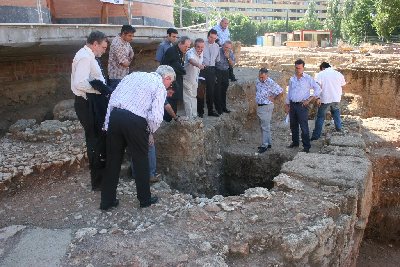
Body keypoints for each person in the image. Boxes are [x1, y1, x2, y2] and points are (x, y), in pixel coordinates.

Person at [100, 65, 176, 210]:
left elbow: (113, 98)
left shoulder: (132, 75)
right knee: (141, 159)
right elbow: (156, 116)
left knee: (113, 160)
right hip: (135, 121)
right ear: (166, 78)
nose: (168, 86)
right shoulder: (159, 85)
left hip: (116, 116)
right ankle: (145, 199)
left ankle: (107, 201)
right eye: (170, 83)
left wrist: (107, 124)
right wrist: (149, 131)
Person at [71, 31, 111, 191]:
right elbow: (80, 83)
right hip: (87, 104)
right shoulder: (85, 57)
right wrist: (99, 89)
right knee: (94, 141)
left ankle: (101, 178)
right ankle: (98, 182)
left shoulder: (88, 56)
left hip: (91, 103)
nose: (104, 50)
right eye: (103, 47)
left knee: (98, 138)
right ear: (95, 44)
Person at [285, 59, 321, 153]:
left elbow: (317, 89)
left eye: (299, 68)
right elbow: (289, 92)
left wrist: (309, 99)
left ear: (303, 68)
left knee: (304, 126)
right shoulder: (292, 79)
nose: (298, 70)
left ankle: (306, 147)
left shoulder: (308, 78)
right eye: (296, 68)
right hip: (293, 105)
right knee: (293, 125)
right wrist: (287, 104)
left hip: (302, 106)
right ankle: (295, 142)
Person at [311, 62, 346, 140]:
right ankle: (339, 128)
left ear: (322, 68)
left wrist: (317, 98)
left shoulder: (320, 74)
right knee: (336, 113)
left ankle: (316, 136)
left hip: (325, 99)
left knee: (320, 117)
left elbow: (317, 87)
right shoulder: (338, 74)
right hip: (336, 98)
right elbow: (343, 84)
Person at [161, 36, 191, 121]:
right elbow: (175, 67)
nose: (187, 48)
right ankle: (168, 120)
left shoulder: (179, 51)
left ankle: (171, 117)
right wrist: (183, 71)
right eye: (185, 46)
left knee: (174, 100)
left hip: (175, 80)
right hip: (169, 82)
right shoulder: (172, 51)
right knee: (170, 99)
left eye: (188, 47)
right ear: (180, 44)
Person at [256, 68, 283, 153]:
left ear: (267, 76)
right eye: (260, 77)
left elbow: (280, 91)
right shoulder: (258, 81)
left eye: (263, 77)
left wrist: (274, 98)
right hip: (260, 106)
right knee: (264, 126)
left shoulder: (270, 82)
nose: (261, 79)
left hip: (266, 106)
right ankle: (268, 143)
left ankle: (264, 145)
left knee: (265, 127)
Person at [198, 29, 220, 118]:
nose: (212, 39)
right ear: (208, 36)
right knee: (201, 91)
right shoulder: (202, 45)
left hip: (212, 70)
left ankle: (210, 111)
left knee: (211, 91)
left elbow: (217, 59)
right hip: (202, 70)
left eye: (214, 38)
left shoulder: (217, 46)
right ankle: (200, 112)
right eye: (211, 37)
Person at [107, 25, 136, 90]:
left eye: (132, 36)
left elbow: (132, 54)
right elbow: (124, 63)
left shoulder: (126, 41)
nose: (132, 38)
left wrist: (129, 59)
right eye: (130, 35)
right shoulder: (117, 44)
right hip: (116, 77)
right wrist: (131, 61)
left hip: (123, 75)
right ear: (123, 34)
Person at [183, 38, 205, 118]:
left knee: (193, 98)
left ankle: (194, 117)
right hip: (187, 79)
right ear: (194, 46)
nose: (200, 49)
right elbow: (191, 60)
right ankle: (189, 118)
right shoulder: (190, 52)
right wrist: (199, 65)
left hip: (195, 79)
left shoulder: (201, 52)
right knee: (188, 100)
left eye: (202, 47)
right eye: (198, 47)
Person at [213, 17, 237, 82]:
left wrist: (228, 46)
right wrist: (221, 46)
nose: (226, 25)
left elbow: (228, 38)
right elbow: (215, 39)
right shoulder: (215, 28)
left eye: (227, 24)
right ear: (221, 22)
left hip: (226, 47)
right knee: (219, 63)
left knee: (229, 59)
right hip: (219, 48)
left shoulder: (227, 30)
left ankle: (231, 76)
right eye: (225, 23)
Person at [215, 40, 235, 114]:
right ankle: (218, 108)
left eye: (229, 48)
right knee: (217, 90)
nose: (227, 49)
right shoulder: (218, 51)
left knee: (224, 91)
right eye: (226, 47)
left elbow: (232, 64)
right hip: (218, 71)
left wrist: (228, 57)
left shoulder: (231, 53)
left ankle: (224, 107)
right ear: (223, 46)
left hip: (226, 72)